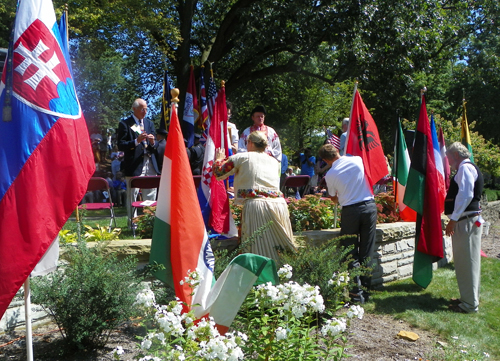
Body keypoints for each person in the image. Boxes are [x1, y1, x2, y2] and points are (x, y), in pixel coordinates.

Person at [214, 131, 296, 261]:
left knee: (257, 249)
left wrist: (218, 159)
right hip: (279, 206)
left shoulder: (241, 157)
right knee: (280, 248)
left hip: (257, 206)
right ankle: (284, 275)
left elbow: (219, 172)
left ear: (250, 143)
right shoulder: (275, 162)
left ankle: (260, 278)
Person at [319, 143, 377, 304]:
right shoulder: (357, 160)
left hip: (351, 211)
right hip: (369, 206)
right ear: (337, 151)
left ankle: (356, 293)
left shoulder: (330, 175)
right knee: (367, 250)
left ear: (325, 160)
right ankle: (366, 291)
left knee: (350, 251)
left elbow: (333, 197)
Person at [445, 142, 484, 314]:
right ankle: (467, 299)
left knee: (467, 263)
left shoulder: (465, 168)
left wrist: (453, 219)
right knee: (465, 263)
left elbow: (466, 194)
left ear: (455, 155)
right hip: (467, 220)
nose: (448, 161)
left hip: (466, 221)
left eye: (449, 157)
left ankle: (469, 305)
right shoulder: (466, 168)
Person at [117, 98, 159, 225]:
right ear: (134, 109)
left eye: (146, 109)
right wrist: (137, 141)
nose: (145, 112)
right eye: (142, 109)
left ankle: (150, 223)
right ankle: (132, 224)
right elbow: (121, 145)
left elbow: (155, 145)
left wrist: (152, 142)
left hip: (150, 163)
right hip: (134, 165)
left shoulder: (149, 123)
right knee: (132, 195)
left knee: (151, 194)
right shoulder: (125, 124)